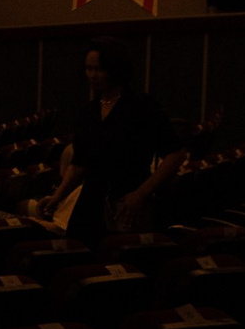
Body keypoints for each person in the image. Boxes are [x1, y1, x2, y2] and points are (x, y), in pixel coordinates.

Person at [42, 37, 185, 240]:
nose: (92, 75)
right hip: (91, 202)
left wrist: (141, 194)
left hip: (129, 201)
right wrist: (57, 197)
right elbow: (79, 164)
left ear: (116, 69)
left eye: (98, 69)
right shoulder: (89, 112)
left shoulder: (142, 106)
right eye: (88, 69)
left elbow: (176, 154)